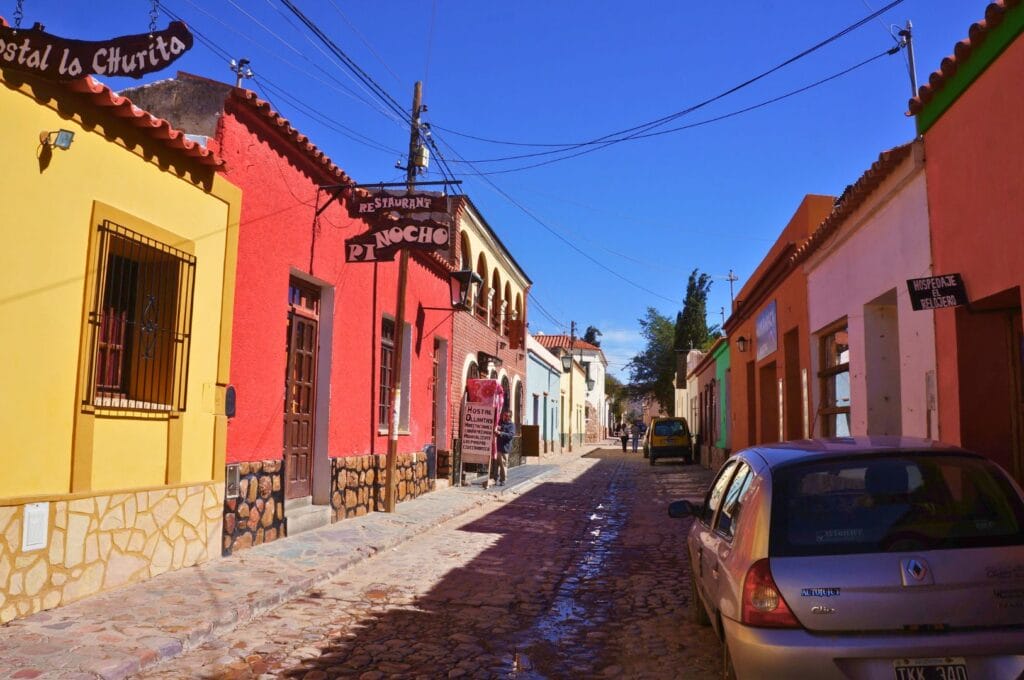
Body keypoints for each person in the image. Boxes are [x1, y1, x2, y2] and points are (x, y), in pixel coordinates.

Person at [487, 410, 515, 488]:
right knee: (495, 465)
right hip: (497, 447)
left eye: (506, 416)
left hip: (504, 448)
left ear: (510, 417)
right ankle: (494, 479)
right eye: (504, 415)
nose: (505, 417)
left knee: (503, 465)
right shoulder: (501, 424)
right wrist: (498, 429)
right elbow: (500, 428)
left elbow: (510, 435)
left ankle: (503, 480)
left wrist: (501, 433)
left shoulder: (511, 425)